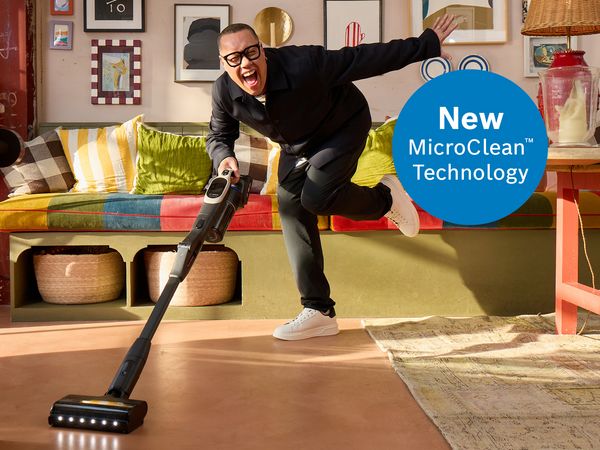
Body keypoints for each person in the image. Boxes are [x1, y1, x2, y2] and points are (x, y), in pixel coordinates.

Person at [206, 16, 457, 341]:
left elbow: (363, 59)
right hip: (297, 145)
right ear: (224, 64)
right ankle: (318, 311)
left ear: (263, 52)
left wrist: (426, 44)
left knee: (315, 198)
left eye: (252, 52)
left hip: (342, 126)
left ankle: (386, 199)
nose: (245, 63)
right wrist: (223, 156)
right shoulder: (224, 91)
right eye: (234, 58)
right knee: (290, 204)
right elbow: (219, 134)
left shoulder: (303, 64)